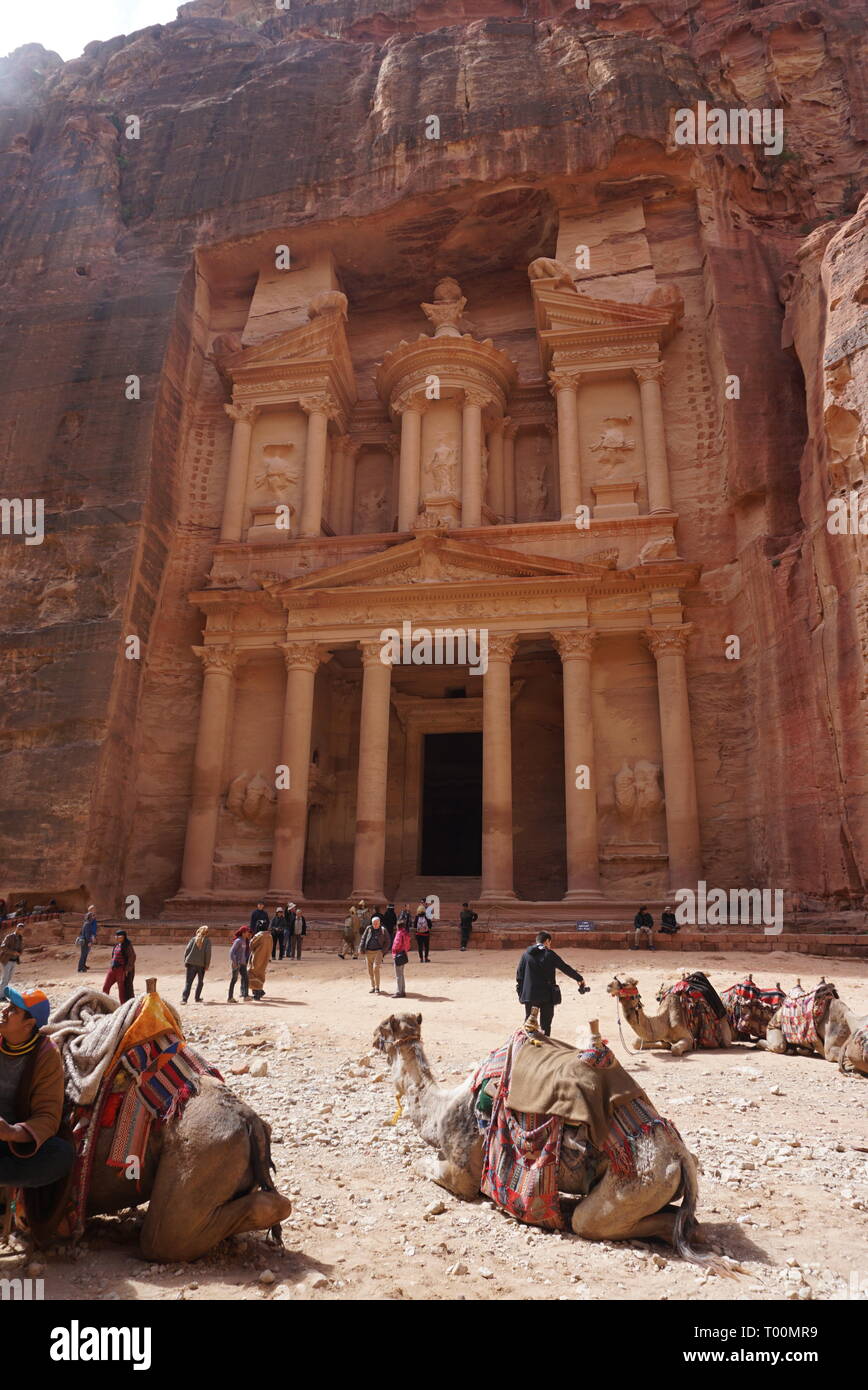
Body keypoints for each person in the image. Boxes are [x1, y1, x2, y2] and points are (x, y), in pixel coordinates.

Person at [0, 986, 75, 1203]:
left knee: (61, 1156)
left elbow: (48, 1116)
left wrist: (12, 1132)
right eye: (8, 1005)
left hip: (15, 1140)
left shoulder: (46, 1054)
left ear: (29, 1024)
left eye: (13, 1009)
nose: (4, 1011)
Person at [515, 931, 586, 1037]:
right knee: (546, 1025)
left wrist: (521, 993)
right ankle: (545, 1048)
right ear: (547, 941)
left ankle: (526, 1047)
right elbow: (564, 967)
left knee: (528, 1025)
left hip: (530, 995)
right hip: (547, 996)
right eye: (550, 943)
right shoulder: (550, 954)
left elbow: (519, 976)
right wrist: (579, 978)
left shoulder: (526, 955)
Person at [103, 930, 136, 1003]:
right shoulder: (117, 945)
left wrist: (127, 969)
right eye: (116, 936)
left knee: (122, 991)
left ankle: (123, 1006)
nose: (117, 937)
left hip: (121, 970)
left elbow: (132, 957)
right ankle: (104, 1004)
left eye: (119, 936)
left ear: (123, 937)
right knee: (105, 987)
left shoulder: (127, 946)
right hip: (113, 969)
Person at [359, 914, 389, 995]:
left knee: (376, 968)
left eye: (376, 923)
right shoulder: (368, 929)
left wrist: (383, 951)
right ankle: (373, 986)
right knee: (370, 970)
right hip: (368, 952)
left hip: (378, 952)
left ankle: (377, 987)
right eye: (374, 923)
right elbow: (363, 938)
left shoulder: (383, 930)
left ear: (379, 923)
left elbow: (388, 941)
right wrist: (361, 948)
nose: (375, 925)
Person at [181, 925, 212, 1004]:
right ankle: (197, 998)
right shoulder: (207, 941)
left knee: (188, 982)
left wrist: (186, 961)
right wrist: (207, 965)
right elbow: (207, 954)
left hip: (191, 963)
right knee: (200, 982)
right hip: (201, 965)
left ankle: (184, 999)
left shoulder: (193, 939)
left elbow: (187, 950)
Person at [248, 927, 271, 1001]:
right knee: (261, 974)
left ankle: (257, 993)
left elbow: (252, 945)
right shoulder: (270, 936)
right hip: (265, 958)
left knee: (252, 973)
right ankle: (260, 990)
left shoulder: (259, 935)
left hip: (257, 957)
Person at [390, 916, 411, 999]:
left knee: (398, 975)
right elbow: (408, 944)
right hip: (403, 954)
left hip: (398, 954)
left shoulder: (399, 933)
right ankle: (403, 991)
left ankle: (399, 992)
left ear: (397, 926)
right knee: (401, 974)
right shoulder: (405, 933)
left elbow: (396, 944)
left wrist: (393, 952)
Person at [228, 927, 250, 1003]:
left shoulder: (244, 941)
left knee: (246, 978)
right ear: (243, 932)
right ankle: (230, 998)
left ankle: (246, 996)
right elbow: (231, 952)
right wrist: (234, 962)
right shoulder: (238, 941)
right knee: (234, 980)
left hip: (242, 963)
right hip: (236, 964)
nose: (248, 933)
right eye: (247, 932)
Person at [1, 924, 24, 994]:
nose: (19, 930)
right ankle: (1, 996)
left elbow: (20, 948)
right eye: (18, 928)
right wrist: (13, 952)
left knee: (8, 979)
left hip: (14, 961)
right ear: (16, 928)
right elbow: (2, 947)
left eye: (21, 929)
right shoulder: (9, 937)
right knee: (5, 979)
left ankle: (3, 994)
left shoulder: (21, 938)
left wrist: (20, 952)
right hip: (7, 960)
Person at [77, 906, 98, 973]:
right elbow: (87, 934)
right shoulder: (88, 924)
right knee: (83, 954)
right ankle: (80, 968)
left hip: (85, 940)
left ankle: (83, 966)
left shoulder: (86, 923)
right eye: (92, 917)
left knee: (85, 954)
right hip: (85, 941)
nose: (93, 917)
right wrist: (89, 941)